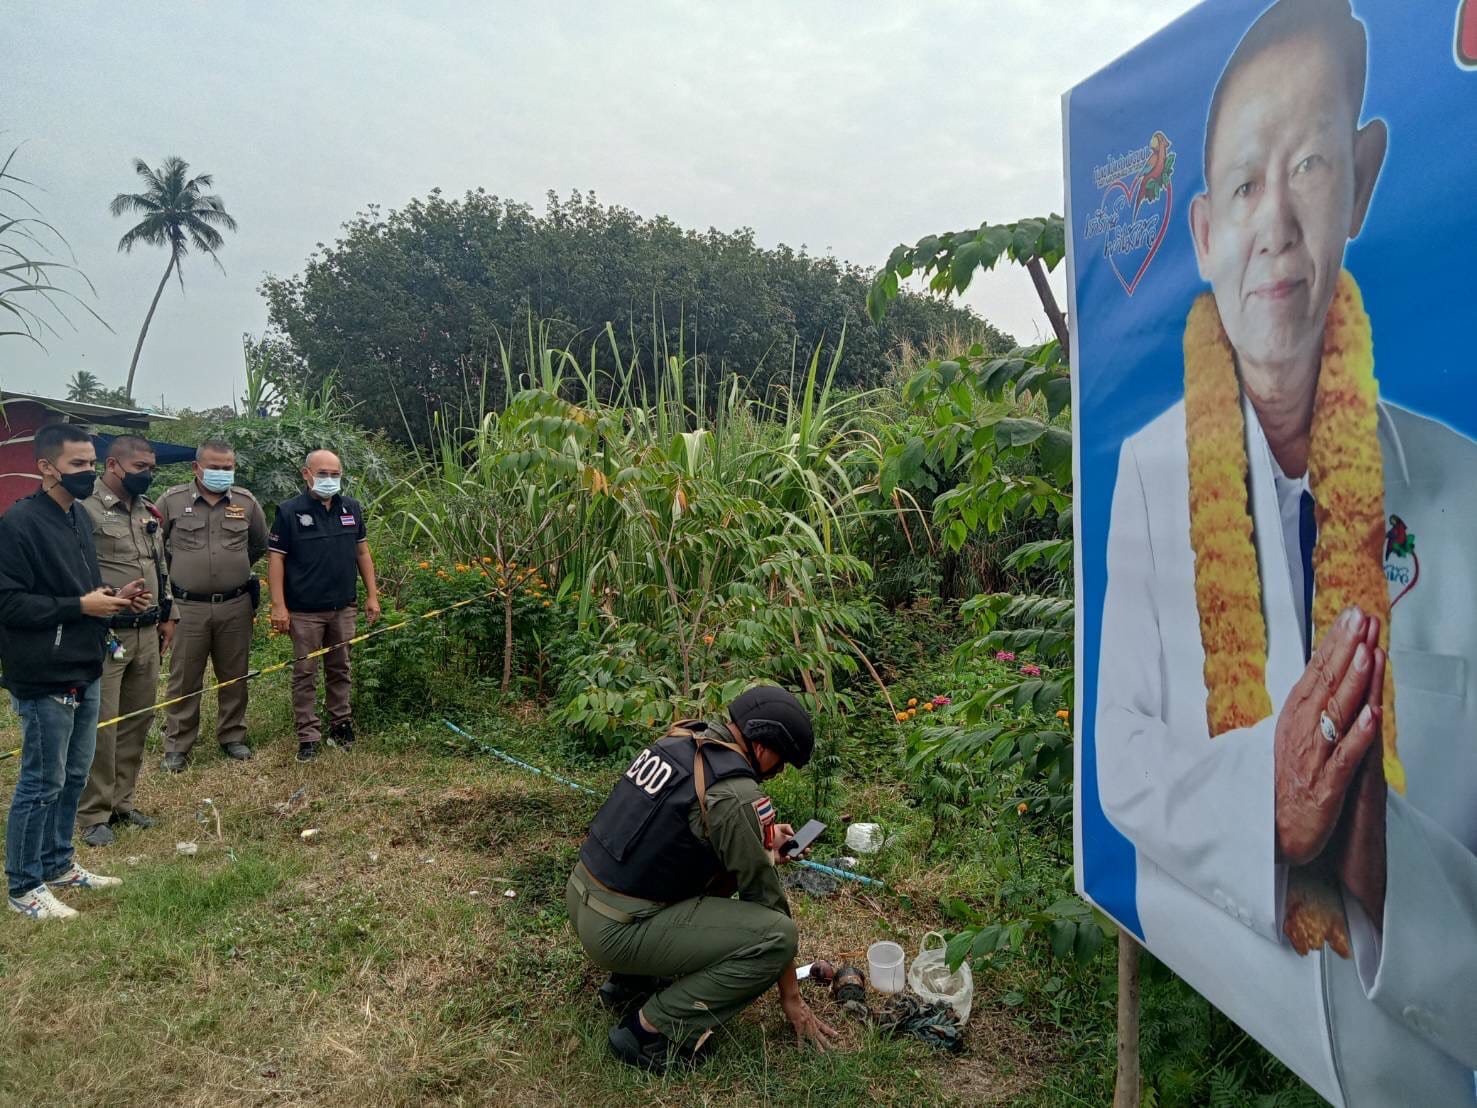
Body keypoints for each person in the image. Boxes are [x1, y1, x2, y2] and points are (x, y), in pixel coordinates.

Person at [1094, 1, 1477, 1103]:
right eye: (1247, 184)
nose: (1277, 224)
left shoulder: (1459, 484)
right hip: (1231, 979)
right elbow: (1123, 752)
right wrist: (1262, 796)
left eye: (1308, 163)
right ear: (1206, 231)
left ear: (1359, 178)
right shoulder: (1152, 473)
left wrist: (1378, 861)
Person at [566, 685, 838, 1073]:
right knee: (777, 936)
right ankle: (649, 1032)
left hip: (583, 898)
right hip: (616, 930)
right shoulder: (735, 792)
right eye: (781, 761)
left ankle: (629, 982)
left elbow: (669, 837)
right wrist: (791, 999)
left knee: (715, 879)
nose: (778, 772)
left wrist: (762, 845)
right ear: (761, 744)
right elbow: (766, 900)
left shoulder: (679, 741)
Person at [0, 424, 131, 920]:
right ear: (46, 467)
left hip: (85, 662)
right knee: (41, 780)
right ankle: (24, 885)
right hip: (43, 673)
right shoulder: (18, 525)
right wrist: (80, 605)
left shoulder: (77, 516)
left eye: (92, 464)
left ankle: (58, 863)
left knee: (75, 774)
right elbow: (9, 604)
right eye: (78, 465)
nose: (88, 473)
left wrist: (113, 600)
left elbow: (83, 589)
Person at [75, 435, 170, 846]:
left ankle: (122, 802)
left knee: (137, 720)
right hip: (107, 634)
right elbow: (72, 571)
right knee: (102, 726)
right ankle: (93, 812)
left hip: (148, 630)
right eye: (139, 468)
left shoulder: (146, 512)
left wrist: (170, 615)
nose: (147, 475)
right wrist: (111, 600)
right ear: (112, 465)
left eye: (151, 468)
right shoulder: (85, 511)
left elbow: (160, 566)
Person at [156, 439, 268, 770]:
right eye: (215, 467)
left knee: (234, 674)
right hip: (187, 606)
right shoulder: (172, 501)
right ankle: (177, 744)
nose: (222, 473)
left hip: (235, 604)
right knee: (184, 676)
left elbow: (259, 544)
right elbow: (154, 545)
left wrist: (231, 569)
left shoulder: (246, 503)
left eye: (227, 468)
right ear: (197, 468)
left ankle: (232, 735)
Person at [267, 450, 380, 763]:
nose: (329, 479)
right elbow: (276, 558)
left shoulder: (351, 508)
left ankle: (341, 724)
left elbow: (362, 553)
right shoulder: (290, 511)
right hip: (304, 610)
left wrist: (372, 595)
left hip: (343, 606)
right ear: (306, 474)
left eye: (335, 473)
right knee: (305, 671)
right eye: (323, 473)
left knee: (340, 666)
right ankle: (308, 734)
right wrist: (278, 605)